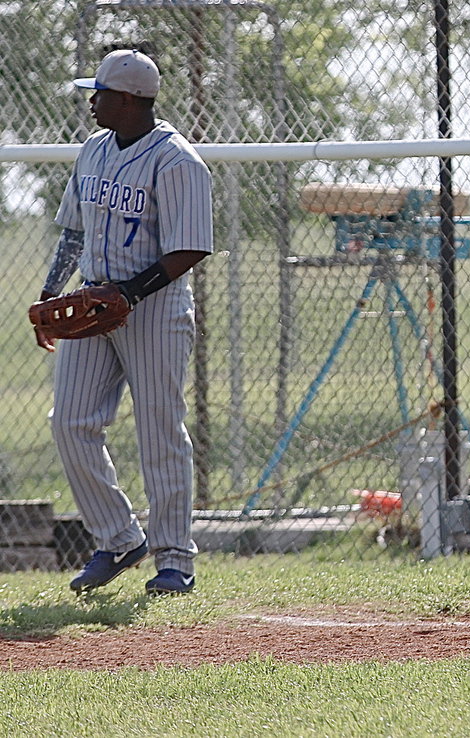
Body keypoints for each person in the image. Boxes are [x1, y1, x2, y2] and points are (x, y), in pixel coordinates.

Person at [33, 49, 213, 595]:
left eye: (101, 93)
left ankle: (175, 560)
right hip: (92, 304)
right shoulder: (92, 151)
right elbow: (74, 230)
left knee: (159, 430)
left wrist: (130, 293)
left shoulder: (178, 161)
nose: (92, 102)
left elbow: (190, 247)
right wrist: (50, 293)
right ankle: (118, 538)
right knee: (69, 422)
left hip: (155, 309)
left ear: (130, 98)